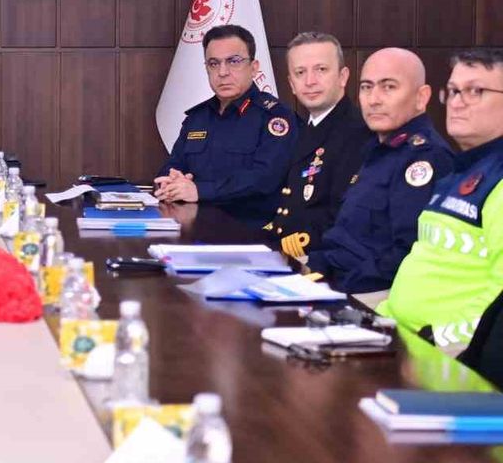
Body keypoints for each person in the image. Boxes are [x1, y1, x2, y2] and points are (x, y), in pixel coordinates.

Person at [298, 48, 453, 293]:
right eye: (366, 87)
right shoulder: (378, 149)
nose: (374, 99)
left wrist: (334, 288)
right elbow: (345, 238)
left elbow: (407, 255)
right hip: (332, 271)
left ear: (421, 97)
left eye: (388, 87)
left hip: (369, 292)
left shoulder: (423, 158)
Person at [380, 48, 503, 348]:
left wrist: (437, 341)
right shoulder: (457, 173)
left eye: (475, 91)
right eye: (453, 91)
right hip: (396, 332)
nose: (457, 102)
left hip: (447, 354)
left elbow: (498, 302)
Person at [155, 24, 296, 219]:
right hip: (193, 225)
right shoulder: (197, 118)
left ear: (254, 68)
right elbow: (173, 165)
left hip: (251, 229)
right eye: (214, 63)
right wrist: (170, 182)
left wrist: (199, 190)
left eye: (233, 61)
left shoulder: (275, 117)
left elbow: (265, 179)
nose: (222, 72)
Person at [268, 32, 371, 257]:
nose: (310, 81)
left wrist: (281, 247)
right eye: (300, 72)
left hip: (323, 257)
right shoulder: (307, 128)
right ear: (291, 84)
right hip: (294, 252)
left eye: (321, 70)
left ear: (343, 77)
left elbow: (343, 219)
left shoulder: (358, 134)